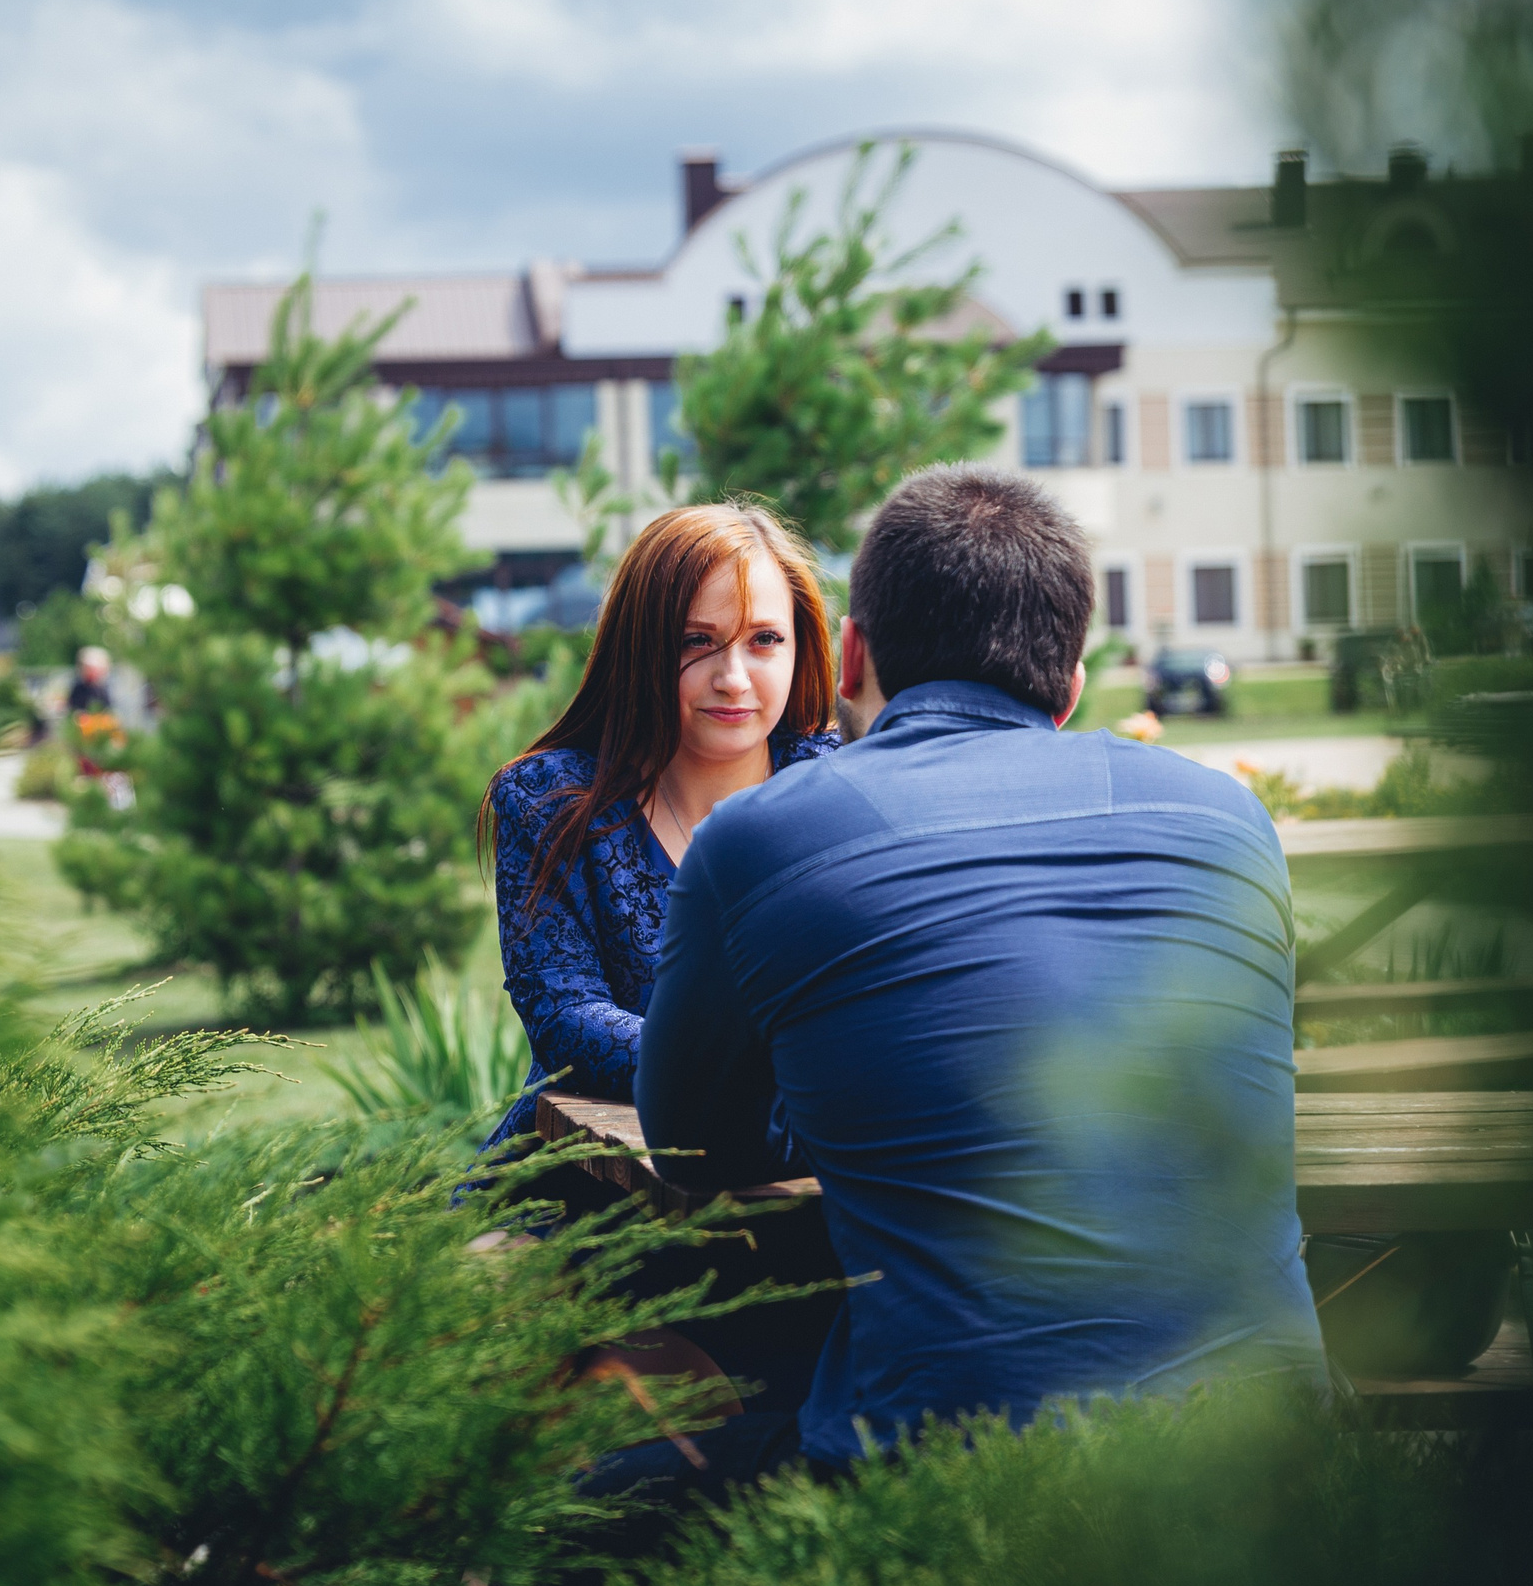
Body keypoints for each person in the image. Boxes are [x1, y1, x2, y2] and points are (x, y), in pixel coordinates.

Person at [621, 464, 1326, 1492]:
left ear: (851, 653)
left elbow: (689, 1146)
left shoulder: (759, 840)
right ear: (1074, 678)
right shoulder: (1230, 821)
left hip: (961, 1479)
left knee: (574, 1518)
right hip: (1272, 1467)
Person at [479, 502, 837, 1159]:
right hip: (586, 1183)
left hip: (813, 1171)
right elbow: (566, 1018)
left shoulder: (842, 788)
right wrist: (768, 1071)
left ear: (801, 645)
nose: (733, 679)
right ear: (641, 645)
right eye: (696, 641)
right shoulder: (549, 801)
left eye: (764, 639)